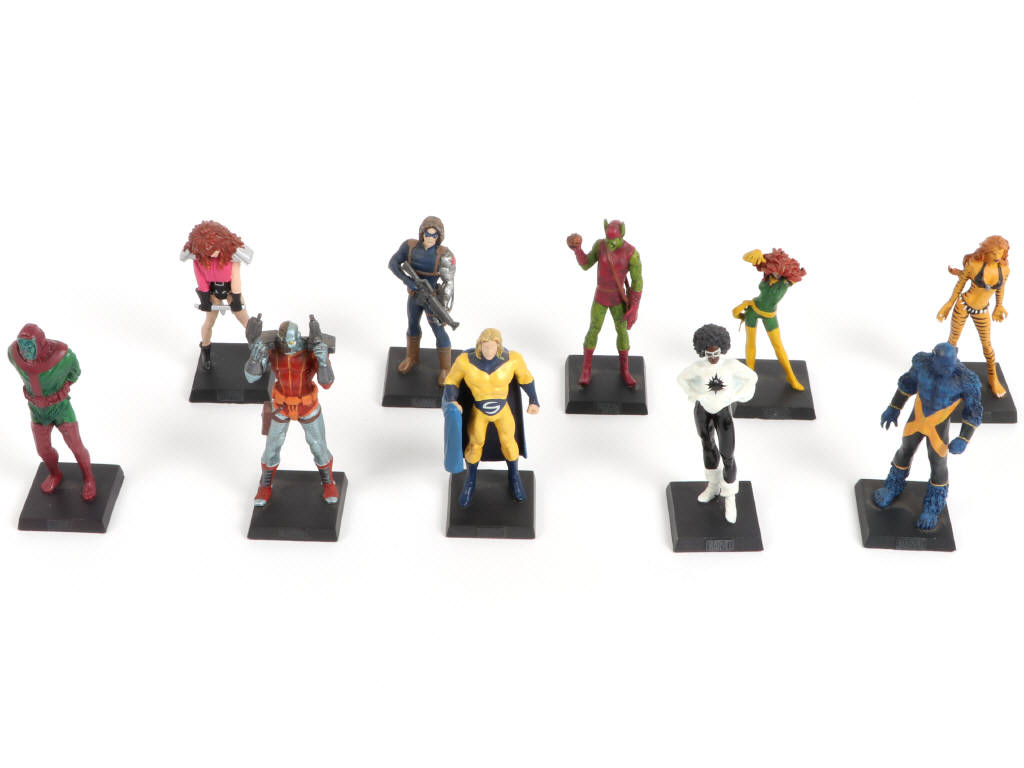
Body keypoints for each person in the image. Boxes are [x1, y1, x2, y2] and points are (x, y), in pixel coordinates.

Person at [874, 342, 982, 530]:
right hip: (917, 417)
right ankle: (892, 486)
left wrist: (964, 438)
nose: (948, 370)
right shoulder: (921, 365)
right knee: (905, 450)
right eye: (944, 366)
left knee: (938, 463)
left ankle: (932, 508)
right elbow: (906, 385)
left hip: (938, 425)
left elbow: (973, 411)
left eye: (951, 365)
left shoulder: (965, 379)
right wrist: (894, 407)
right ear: (933, 359)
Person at [244, 318, 337, 506]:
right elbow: (251, 378)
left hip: (307, 405)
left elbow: (327, 383)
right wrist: (254, 359)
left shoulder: (311, 351)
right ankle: (265, 485)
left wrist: (323, 362)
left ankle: (328, 483)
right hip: (281, 405)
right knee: (272, 448)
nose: (289, 347)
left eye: (292, 342)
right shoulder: (273, 351)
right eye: (285, 342)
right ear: (279, 340)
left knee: (318, 446)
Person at [443, 328, 539, 507]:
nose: (488, 351)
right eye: (485, 347)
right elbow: (451, 381)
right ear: (479, 345)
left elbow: (526, 379)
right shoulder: (465, 361)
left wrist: (534, 400)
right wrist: (452, 400)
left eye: (492, 347)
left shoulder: (513, 359)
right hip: (479, 411)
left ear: (498, 346)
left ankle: (514, 476)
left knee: (509, 443)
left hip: (503, 410)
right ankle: (470, 480)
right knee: (475, 445)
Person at [677, 324, 757, 524]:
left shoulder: (730, 366)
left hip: (723, 413)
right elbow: (681, 379)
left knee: (728, 454)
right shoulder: (698, 367)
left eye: (716, 353)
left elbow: (752, 377)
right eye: (708, 354)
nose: (713, 357)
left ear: (723, 348)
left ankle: (730, 496)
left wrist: (736, 396)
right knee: (707, 445)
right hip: (703, 410)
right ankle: (713, 485)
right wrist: (694, 394)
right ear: (702, 351)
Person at [8, 324, 96, 500]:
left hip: (61, 409)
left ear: (41, 343)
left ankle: (89, 478)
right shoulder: (13, 354)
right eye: (22, 345)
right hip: (37, 411)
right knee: (42, 449)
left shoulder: (65, 357)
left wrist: (63, 388)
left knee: (75, 445)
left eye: (29, 345)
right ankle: (55, 474)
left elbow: (75, 373)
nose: (24, 351)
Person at [565, 220, 643, 387]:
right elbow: (586, 264)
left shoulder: (631, 252)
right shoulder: (600, 245)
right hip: (600, 297)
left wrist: (634, 307)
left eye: (614, 239)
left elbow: (637, 281)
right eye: (608, 238)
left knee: (622, 333)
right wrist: (578, 250)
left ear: (622, 233)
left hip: (618, 300)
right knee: (593, 329)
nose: (610, 242)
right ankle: (586, 369)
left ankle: (625, 370)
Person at [937, 235, 1011, 397]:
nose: (997, 256)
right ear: (985, 252)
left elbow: (1000, 289)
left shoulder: (1004, 270)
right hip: (963, 305)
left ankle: (993, 377)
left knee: (987, 345)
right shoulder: (974, 265)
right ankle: (945, 374)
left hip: (982, 310)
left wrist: (999, 306)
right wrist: (949, 304)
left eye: (1000, 252)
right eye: (994, 252)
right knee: (952, 340)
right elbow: (960, 284)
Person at [388, 216, 456, 385]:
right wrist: (407, 280)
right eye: (427, 234)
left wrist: (445, 308)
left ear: (439, 236)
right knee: (412, 324)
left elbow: (449, 283)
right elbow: (393, 264)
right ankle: (411, 357)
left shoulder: (444, 255)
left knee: (438, 330)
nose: (430, 238)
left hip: (432, 297)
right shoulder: (410, 246)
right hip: (414, 294)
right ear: (422, 233)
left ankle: (446, 368)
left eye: (434, 235)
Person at [180, 220, 253, 371]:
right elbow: (200, 278)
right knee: (209, 322)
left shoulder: (233, 256)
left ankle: (257, 351)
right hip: (212, 292)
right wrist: (205, 298)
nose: (213, 252)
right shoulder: (199, 259)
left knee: (247, 322)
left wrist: (236, 299)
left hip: (231, 290)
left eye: (215, 247)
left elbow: (236, 278)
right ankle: (205, 350)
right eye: (208, 249)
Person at [731, 248, 806, 390]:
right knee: (750, 343)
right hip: (753, 310)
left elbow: (797, 275)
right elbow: (746, 258)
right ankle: (750, 376)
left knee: (778, 346)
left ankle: (791, 376)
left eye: (778, 271)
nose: (775, 273)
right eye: (773, 269)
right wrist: (758, 252)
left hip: (770, 315)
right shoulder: (767, 275)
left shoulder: (786, 282)